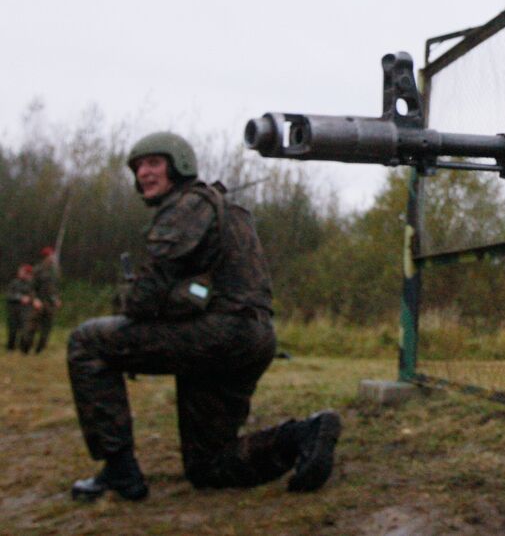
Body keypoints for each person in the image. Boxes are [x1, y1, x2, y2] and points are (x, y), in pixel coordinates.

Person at [65, 132, 341, 502]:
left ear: (179, 164)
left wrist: (148, 299)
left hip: (218, 333)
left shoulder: (187, 205)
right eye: (137, 167)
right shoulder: (224, 208)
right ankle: (303, 436)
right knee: (209, 466)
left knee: (87, 342)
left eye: (152, 163)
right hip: (251, 336)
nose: (143, 173)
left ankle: (119, 471)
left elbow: (143, 299)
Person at [20, 246, 61, 353]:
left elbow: (55, 288)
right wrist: (35, 300)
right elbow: (31, 287)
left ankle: (39, 350)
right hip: (38, 302)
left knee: (47, 327)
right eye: (51, 255)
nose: (53, 257)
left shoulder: (54, 271)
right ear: (46, 257)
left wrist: (56, 299)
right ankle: (25, 349)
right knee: (31, 327)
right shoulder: (38, 270)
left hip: (49, 303)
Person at [6, 263, 34, 352]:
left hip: (26, 311)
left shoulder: (32, 284)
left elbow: (35, 296)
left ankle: (23, 349)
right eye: (21, 271)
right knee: (12, 330)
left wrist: (30, 299)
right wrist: (20, 297)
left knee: (25, 330)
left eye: (23, 272)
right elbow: (9, 295)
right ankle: (10, 348)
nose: (21, 273)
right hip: (14, 310)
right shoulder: (14, 283)